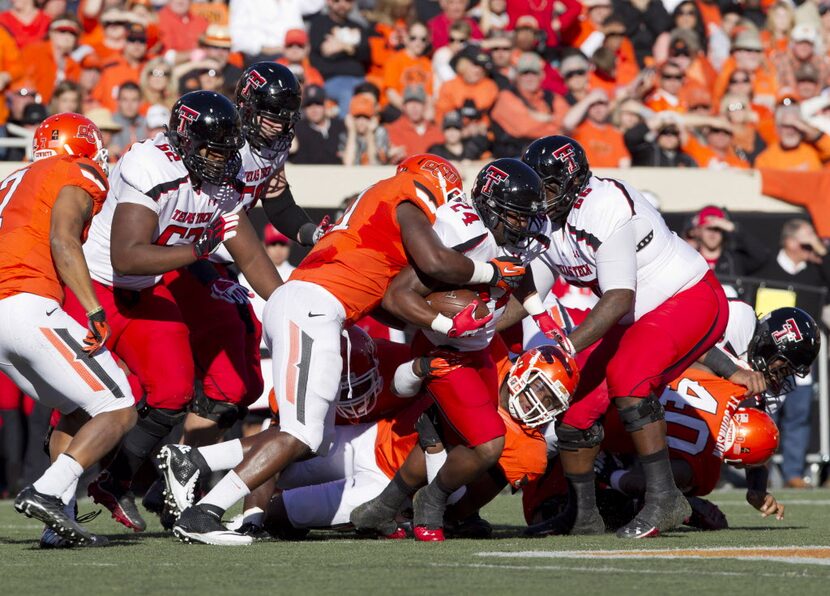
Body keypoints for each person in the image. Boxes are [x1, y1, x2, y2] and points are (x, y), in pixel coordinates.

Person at [158, 154, 528, 545]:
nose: (450, 206)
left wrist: (438, 321)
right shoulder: (405, 199)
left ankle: (196, 462)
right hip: (315, 306)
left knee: (318, 439)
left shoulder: (379, 213)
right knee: (299, 433)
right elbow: (436, 260)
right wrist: (491, 273)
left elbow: (390, 303)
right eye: (446, 193)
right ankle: (205, 511)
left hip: (317, 307)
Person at [63, 91, 283, 533]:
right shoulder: (151, 163)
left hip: (145, 291)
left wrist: (289, 308)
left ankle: (115, 481)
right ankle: (58, 499)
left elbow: (252, 256)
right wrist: (197, 249)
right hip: (95, 286)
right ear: (184, 141)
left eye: (225, 151)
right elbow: (127, 256)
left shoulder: (225, 176)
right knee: (74, 402)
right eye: (209, 149)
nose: (219, 160)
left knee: (174, 390)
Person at [519, 135, 730, 538]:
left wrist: (566, 347)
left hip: (688, 297)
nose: (539, 195)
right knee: (575, 410)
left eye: (547, 186)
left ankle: (665, 498)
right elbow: (533, 292)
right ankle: (583, 514)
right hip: (637, 316)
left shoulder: (604, 204)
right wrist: (478, 320)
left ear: (572, 181)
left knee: (629, 379)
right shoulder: (549, 221)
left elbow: (617, 298)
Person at [351, 159, 553, 541]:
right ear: (492, 208)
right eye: (516, 217)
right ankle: (432, 501)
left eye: (528, 218)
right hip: (447, 350)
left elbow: (516, 270)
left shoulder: (500, 238)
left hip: (480, 346)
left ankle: (381, 509)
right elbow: (397, 295)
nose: (524, 227)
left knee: (457, 437)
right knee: (488, 444)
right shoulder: (464, 234)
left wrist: (542, 317)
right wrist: (446, 324)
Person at [269, 343, 577, 539]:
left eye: (552, 402)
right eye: (540, 389)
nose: (541, 404)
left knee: (279, 513)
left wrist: (435, 452)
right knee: (279, 462)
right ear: (523, 369)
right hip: (376, 436)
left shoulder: (530, 450)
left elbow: (458, 507)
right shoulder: (489, 358)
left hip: (389, 486)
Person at [1, 113, 136, 547]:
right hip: (27, 302)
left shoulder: (14, 180)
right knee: (119, 406)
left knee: (78, 408)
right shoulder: (75, 170)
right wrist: (94, 308)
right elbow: (63, 239)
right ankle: (45, 491)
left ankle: (57, 521)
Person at [490, 52, 563, 159]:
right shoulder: (506, 96)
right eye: (524, 73)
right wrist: (551, 121)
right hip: (516, 158)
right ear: (516, 76)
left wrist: (541, 119)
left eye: (534, 73)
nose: (529, 78)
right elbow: (525, 128)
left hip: (548, 156)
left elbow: (566, 124)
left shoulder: (551, 97)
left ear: (542, 75)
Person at [309, 0, 371, 115]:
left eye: (347, 1)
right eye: (337, 0)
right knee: (347, 94)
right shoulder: (319, 24)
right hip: (331, 80)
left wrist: (341, 46)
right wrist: (352, 48)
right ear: (329, 2)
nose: (342, 4)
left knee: (370, 95)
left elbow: (365, 54)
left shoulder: (358, 26)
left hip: (359, 79)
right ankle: (345, 131)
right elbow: (324, 52)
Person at [685, 205, 769, 277]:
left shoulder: (734, 260)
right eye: (709, 228)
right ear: (698, 230)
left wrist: (732, 227)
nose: (713, 233)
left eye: (718, 229)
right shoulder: (690, 260)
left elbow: (761, 255)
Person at [290, 84, 347, 165]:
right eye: (309, 105)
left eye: (318, 104)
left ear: (325, 105)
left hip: (338, 176)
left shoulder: (340, 126)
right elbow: (292, 149)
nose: (314, 109)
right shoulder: (297, 128)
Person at [384, 84, 443, 159]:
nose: (414, 107)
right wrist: (388, 157)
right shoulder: (391, 131)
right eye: (410, 102)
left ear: (425, 106)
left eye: (418, 102)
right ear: (403, 106)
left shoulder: (437, 131)